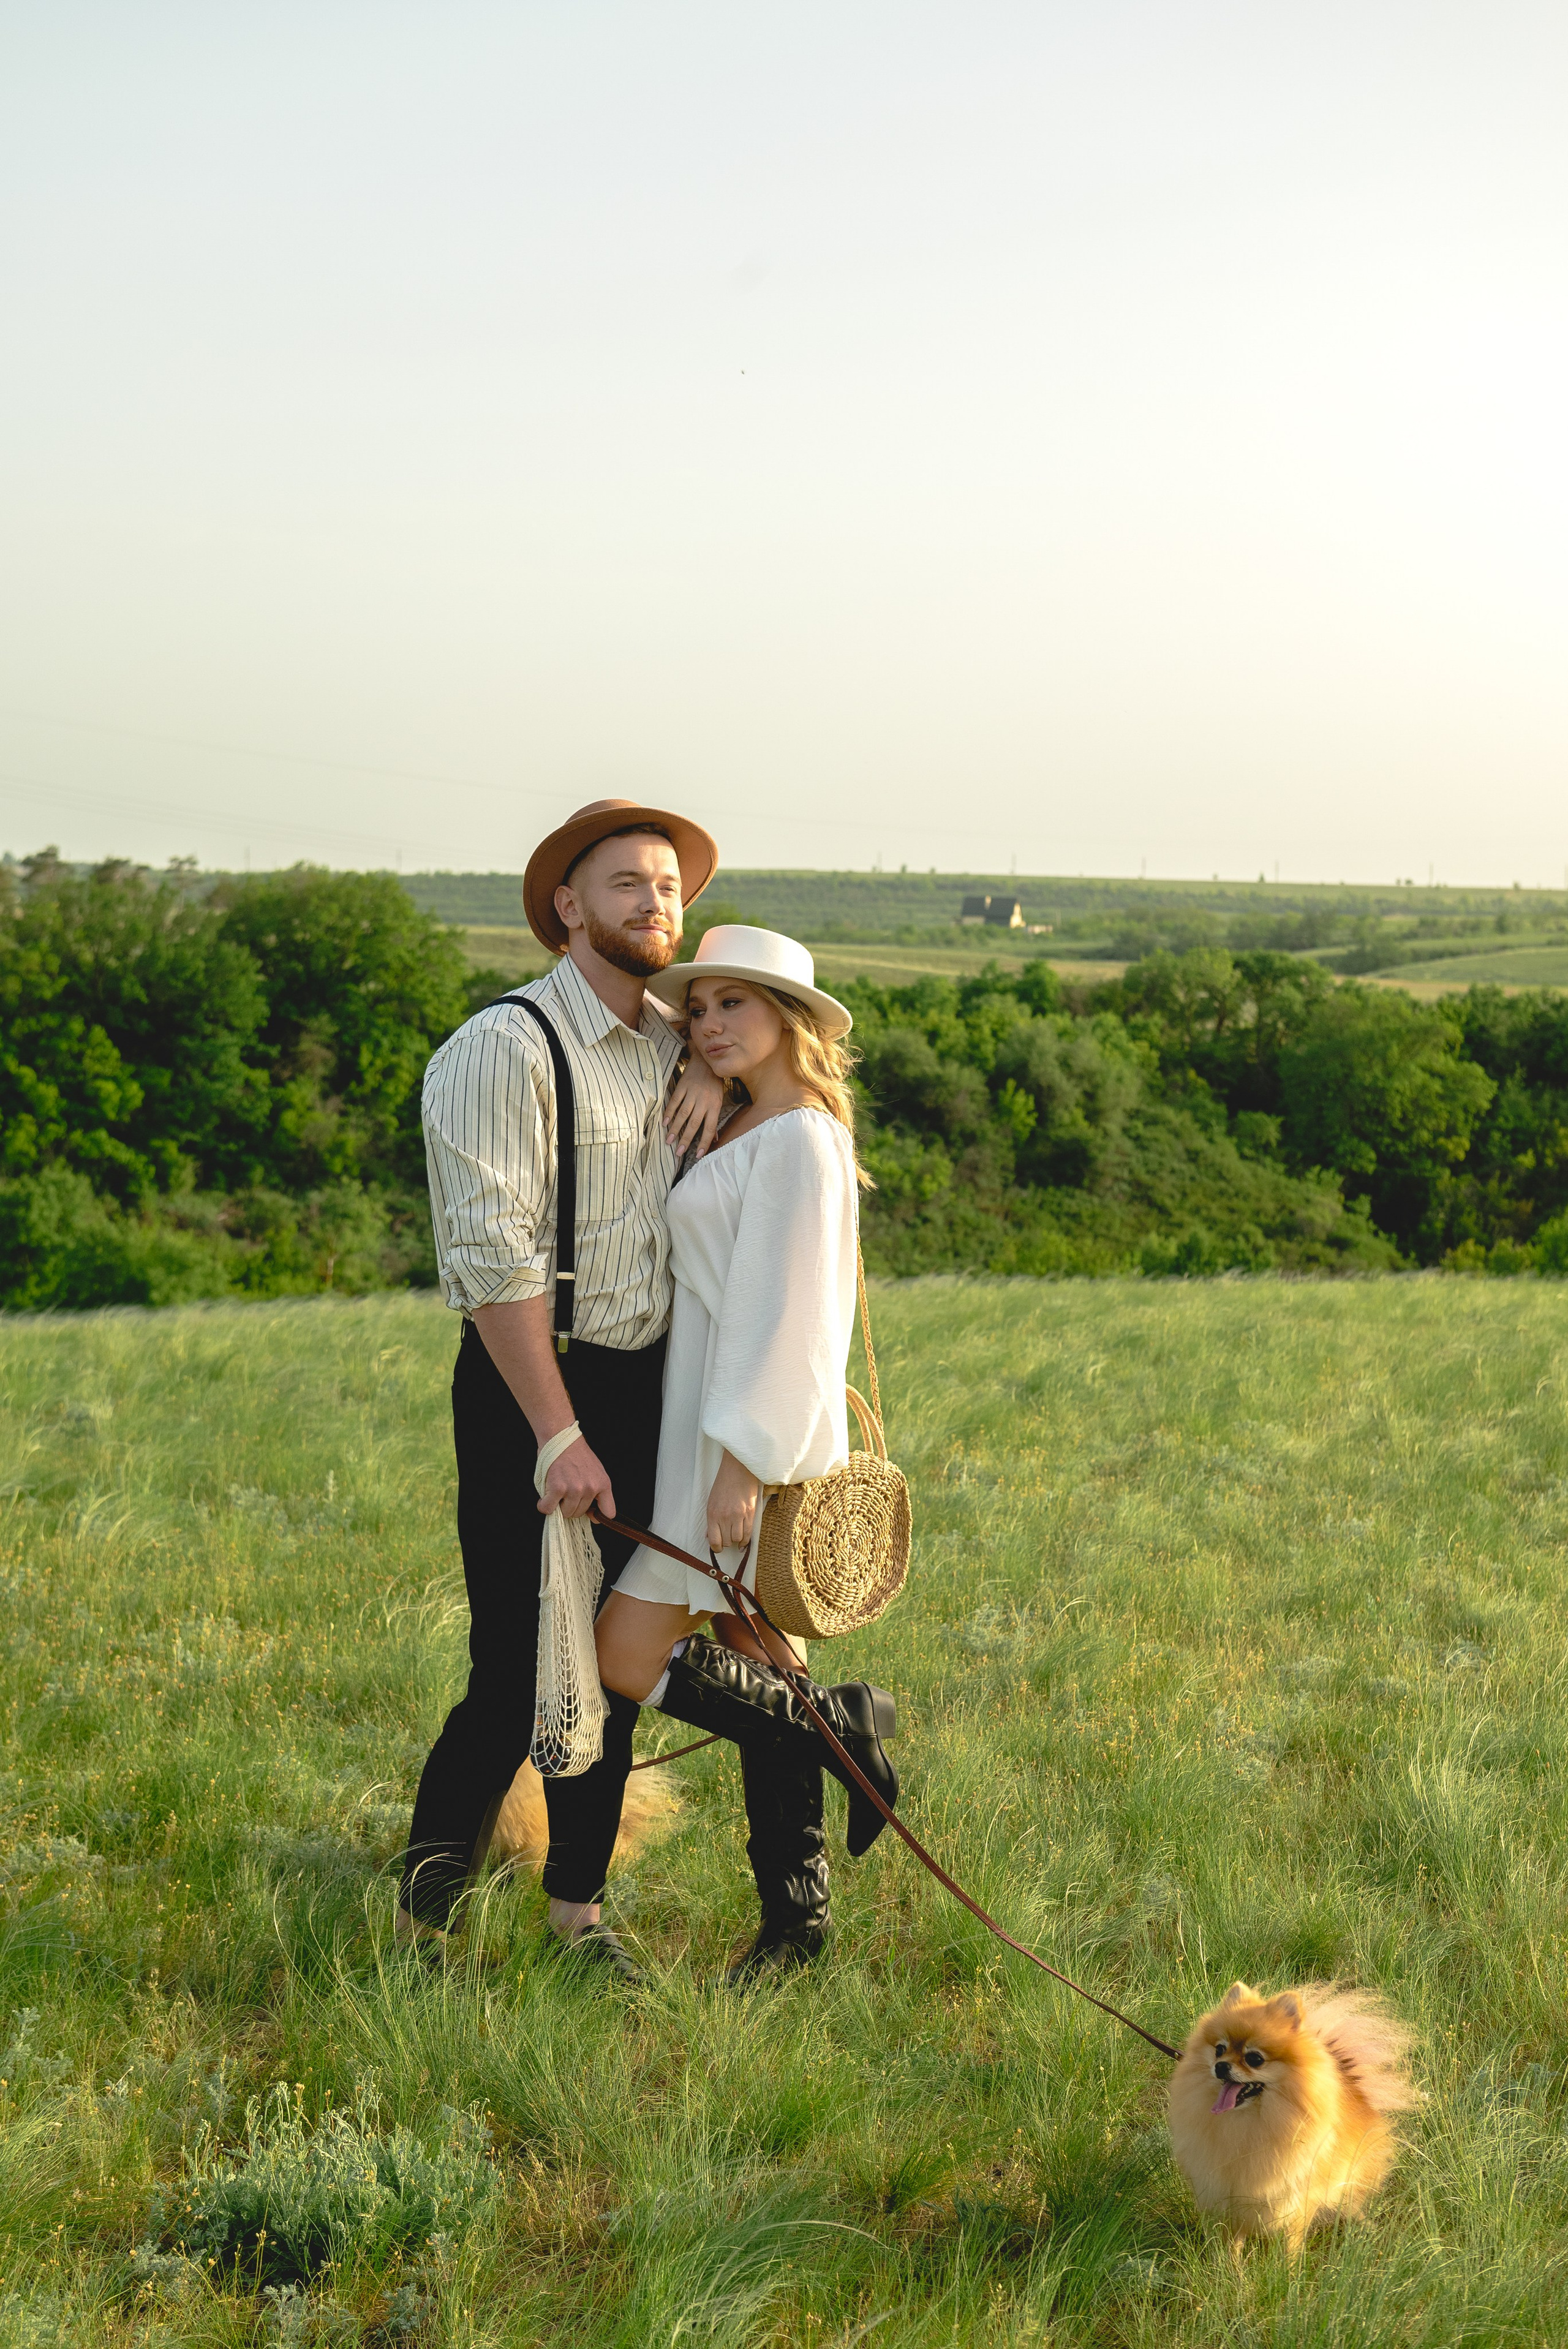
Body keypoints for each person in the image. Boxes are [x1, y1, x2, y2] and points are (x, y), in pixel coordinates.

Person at [398, 797, 726, 1980]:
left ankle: (576, 1915)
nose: (656, 904)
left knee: (618, 1664)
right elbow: (492, 1265)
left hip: (648, 1391)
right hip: (538, 1387)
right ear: (568, 908)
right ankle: (420, 1919)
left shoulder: (667, 1048)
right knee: (513, 1676)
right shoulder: (506, 1048)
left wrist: (712, 1075)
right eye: (629, 884)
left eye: (671, 888)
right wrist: (556, 1435)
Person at [595, 926, 900, 1985]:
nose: (714, 1023)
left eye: (736, 1006)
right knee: (770, 1673)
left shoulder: (801, 1139)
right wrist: (690, 1062)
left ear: (792, 1020)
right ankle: (797, 1928)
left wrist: (743, 1466)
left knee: (624, 1659)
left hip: (739, 1447)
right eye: (704, 1007)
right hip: (702, 1429)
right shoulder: (735, 1120)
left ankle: (844, 1726)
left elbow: (794, 1319)